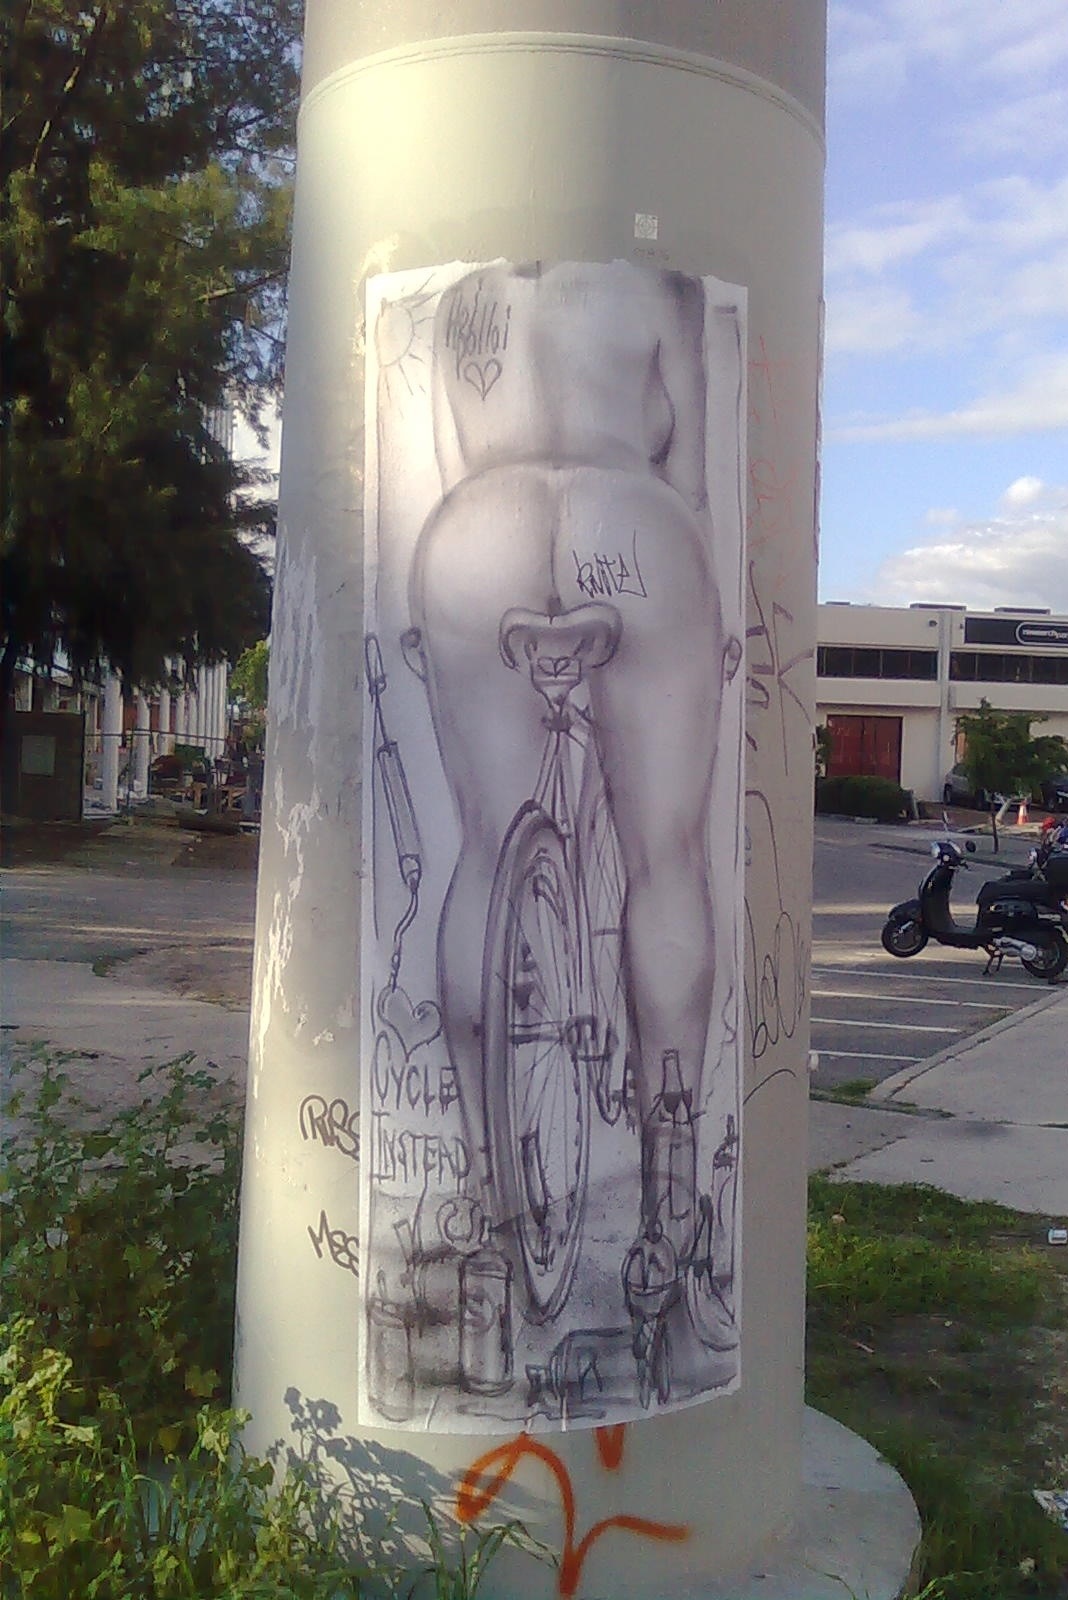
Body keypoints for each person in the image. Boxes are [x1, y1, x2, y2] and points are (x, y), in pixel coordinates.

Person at [383, 261, 739, 1306]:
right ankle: (672, 1198)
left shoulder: (464, 303)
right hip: (635, 530)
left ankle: (487, 1195)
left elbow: (452, 464)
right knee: (664, 858)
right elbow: (694, 483)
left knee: (485, 851)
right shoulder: (665, 288)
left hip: (477, 532)